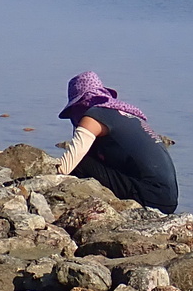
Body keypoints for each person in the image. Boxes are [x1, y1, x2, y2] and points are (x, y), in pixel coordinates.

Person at [53, 72, 179, 214]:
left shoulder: (93, 116)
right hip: (167, 199)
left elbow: (66, 166)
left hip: (150, 197)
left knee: (81, 163)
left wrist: (44, 180)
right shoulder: (123, 115)